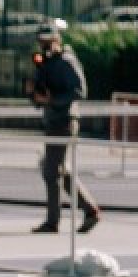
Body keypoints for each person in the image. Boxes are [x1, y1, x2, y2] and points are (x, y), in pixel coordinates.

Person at [28, 25, 100, 234]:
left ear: (57, 40)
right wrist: (36, 95)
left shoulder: (67, 61)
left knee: (51, 171)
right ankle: (90, 210)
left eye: (48, 42)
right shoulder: (45, 63)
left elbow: (80, 90)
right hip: (52, 120)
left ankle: (53, 221)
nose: (44, 47)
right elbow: (42, 94)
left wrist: (54, 100)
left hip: (64, 121)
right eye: (41, 42)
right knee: (57, 169)